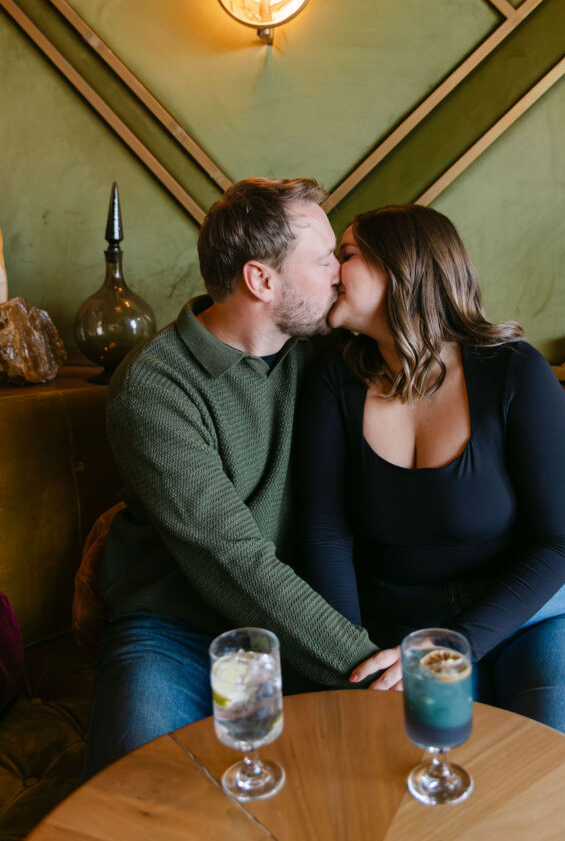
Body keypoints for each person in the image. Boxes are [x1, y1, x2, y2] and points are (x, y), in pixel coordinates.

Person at [295, 203, 565, 768]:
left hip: (546, 611)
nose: (331, 268)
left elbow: (557, 541)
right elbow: (325, 533)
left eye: (347, 254)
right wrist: (349, 659)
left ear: (401, 267)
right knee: (424, 791)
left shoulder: (513, 370)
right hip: (404, 629)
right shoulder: (334, 379)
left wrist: (454, 645)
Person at [83, 177, 378, 779]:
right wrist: (367, 666)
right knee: (135, 794)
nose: (340, 275)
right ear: (261, 280)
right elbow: (231, 558)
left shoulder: (329, 350)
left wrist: (543, 496)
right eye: (325, 259)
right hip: (176, 627)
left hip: (300, 618)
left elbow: (451, 365)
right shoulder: (154, 386)